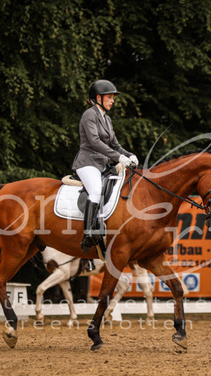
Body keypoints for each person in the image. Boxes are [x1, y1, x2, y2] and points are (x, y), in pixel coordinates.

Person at [72, 79, 138, 252]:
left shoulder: (106, 119)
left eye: (113, 98)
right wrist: (118, 157)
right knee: (95, 191)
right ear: (98, 98)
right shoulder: (89, 115)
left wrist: (128, 155)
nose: (113, 101)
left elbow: (115, 145)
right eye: (110, 97)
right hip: (87, 162)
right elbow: (94, 142)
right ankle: (89, 233)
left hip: (103, 165)